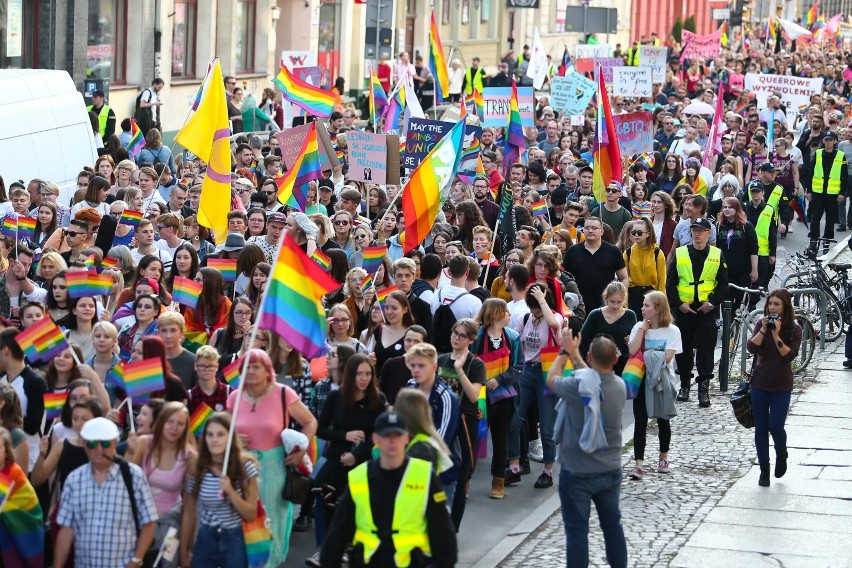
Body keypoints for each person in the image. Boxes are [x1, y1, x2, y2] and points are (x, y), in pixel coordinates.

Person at [320, 411, 458, 568]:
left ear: (406, 438)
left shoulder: (424, 475)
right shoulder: (358, 477)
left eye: (397, 435)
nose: (392, 441)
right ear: (375, 439)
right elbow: (338, 533)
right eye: (386, 436)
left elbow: (442, 531)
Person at [546, 331, 627, 568]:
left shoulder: (575, 387)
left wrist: (564, 352)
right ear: (615, 360)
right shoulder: (620, 386)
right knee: (612, 526)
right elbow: (588, 376)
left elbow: (551, 380)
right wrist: (575, 353)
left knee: (577, 532)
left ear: (590, 356)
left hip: (577, 472)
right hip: (610, 470)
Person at [54, 417, 158, 568]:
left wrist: (136, 561)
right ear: (83, 444)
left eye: (105, 443)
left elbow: (149, 524)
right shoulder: (74, 480)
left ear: (115, 443)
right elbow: (66, 530)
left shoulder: (134, 476)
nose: (99, 449)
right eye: (92, 443)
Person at [179, 412, 259, 568]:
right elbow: (188, 512)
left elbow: (251, 514)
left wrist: (230, 491)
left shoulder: (245, 466)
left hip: (234, 539)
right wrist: (184, 551)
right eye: (210, 435)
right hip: (205, 538)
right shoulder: (196, 466)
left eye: (220, 434)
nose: (214, 440)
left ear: (230, 437)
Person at [667, 218, 728, 407]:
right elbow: (670, 284)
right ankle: (685, 385)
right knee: (683, 349)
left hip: (706, 310)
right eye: (694, 230)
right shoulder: (681, 253)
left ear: (709, 233)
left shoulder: (717, 254)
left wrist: (712, 303)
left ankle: (703, 389)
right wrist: (678, 304)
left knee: (706, 350)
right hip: (685, 310)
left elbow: (723, 284)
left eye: (702, 230)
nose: (697, 234)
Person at [747, 288, 802, 487]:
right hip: (760, 382)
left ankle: (781, 453)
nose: (772, 308)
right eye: (770, 304)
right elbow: (752, 348)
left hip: (781, 385)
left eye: (776, 304)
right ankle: (764, 470)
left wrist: (776, 335)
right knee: (761, 428)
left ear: (785, 307)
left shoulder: (794, 329)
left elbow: (788, 355)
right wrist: (763, 330)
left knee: (775, 426)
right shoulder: (760, 324)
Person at [626, 291, 682, 479]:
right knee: (639, 422)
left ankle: (663, 457)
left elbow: (667, 357)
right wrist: (642, 329)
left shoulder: (672, 331)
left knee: (663, 420)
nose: (642, 308)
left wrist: (647, 354)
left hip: (662, 380)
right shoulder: (638, 327)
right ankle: (638, 464)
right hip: (641, 379)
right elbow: (632, 350)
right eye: (642, 305)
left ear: (658, 308)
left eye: (646, 305)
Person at [472, 298, 523, 499]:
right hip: (479, 397)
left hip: (504, 397)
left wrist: (500, 379)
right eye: (506, 312)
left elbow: (519, 366)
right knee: (475, 440)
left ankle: (498, 481)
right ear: (495, 315)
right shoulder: (475, 337)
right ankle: (466, 479)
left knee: (501, 440)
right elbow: (468, 362)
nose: (509, 315)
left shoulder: (513, 337)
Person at [563, 216, 629, 312]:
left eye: (594, 228)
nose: (590, 231)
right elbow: (565, 277)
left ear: (601, 231)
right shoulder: (573, 251)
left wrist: (619, 297)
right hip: (578, 305)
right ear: (583, 230)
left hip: (605, 305)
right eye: (587, 228)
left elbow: (624, 278)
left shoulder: (613, 251)